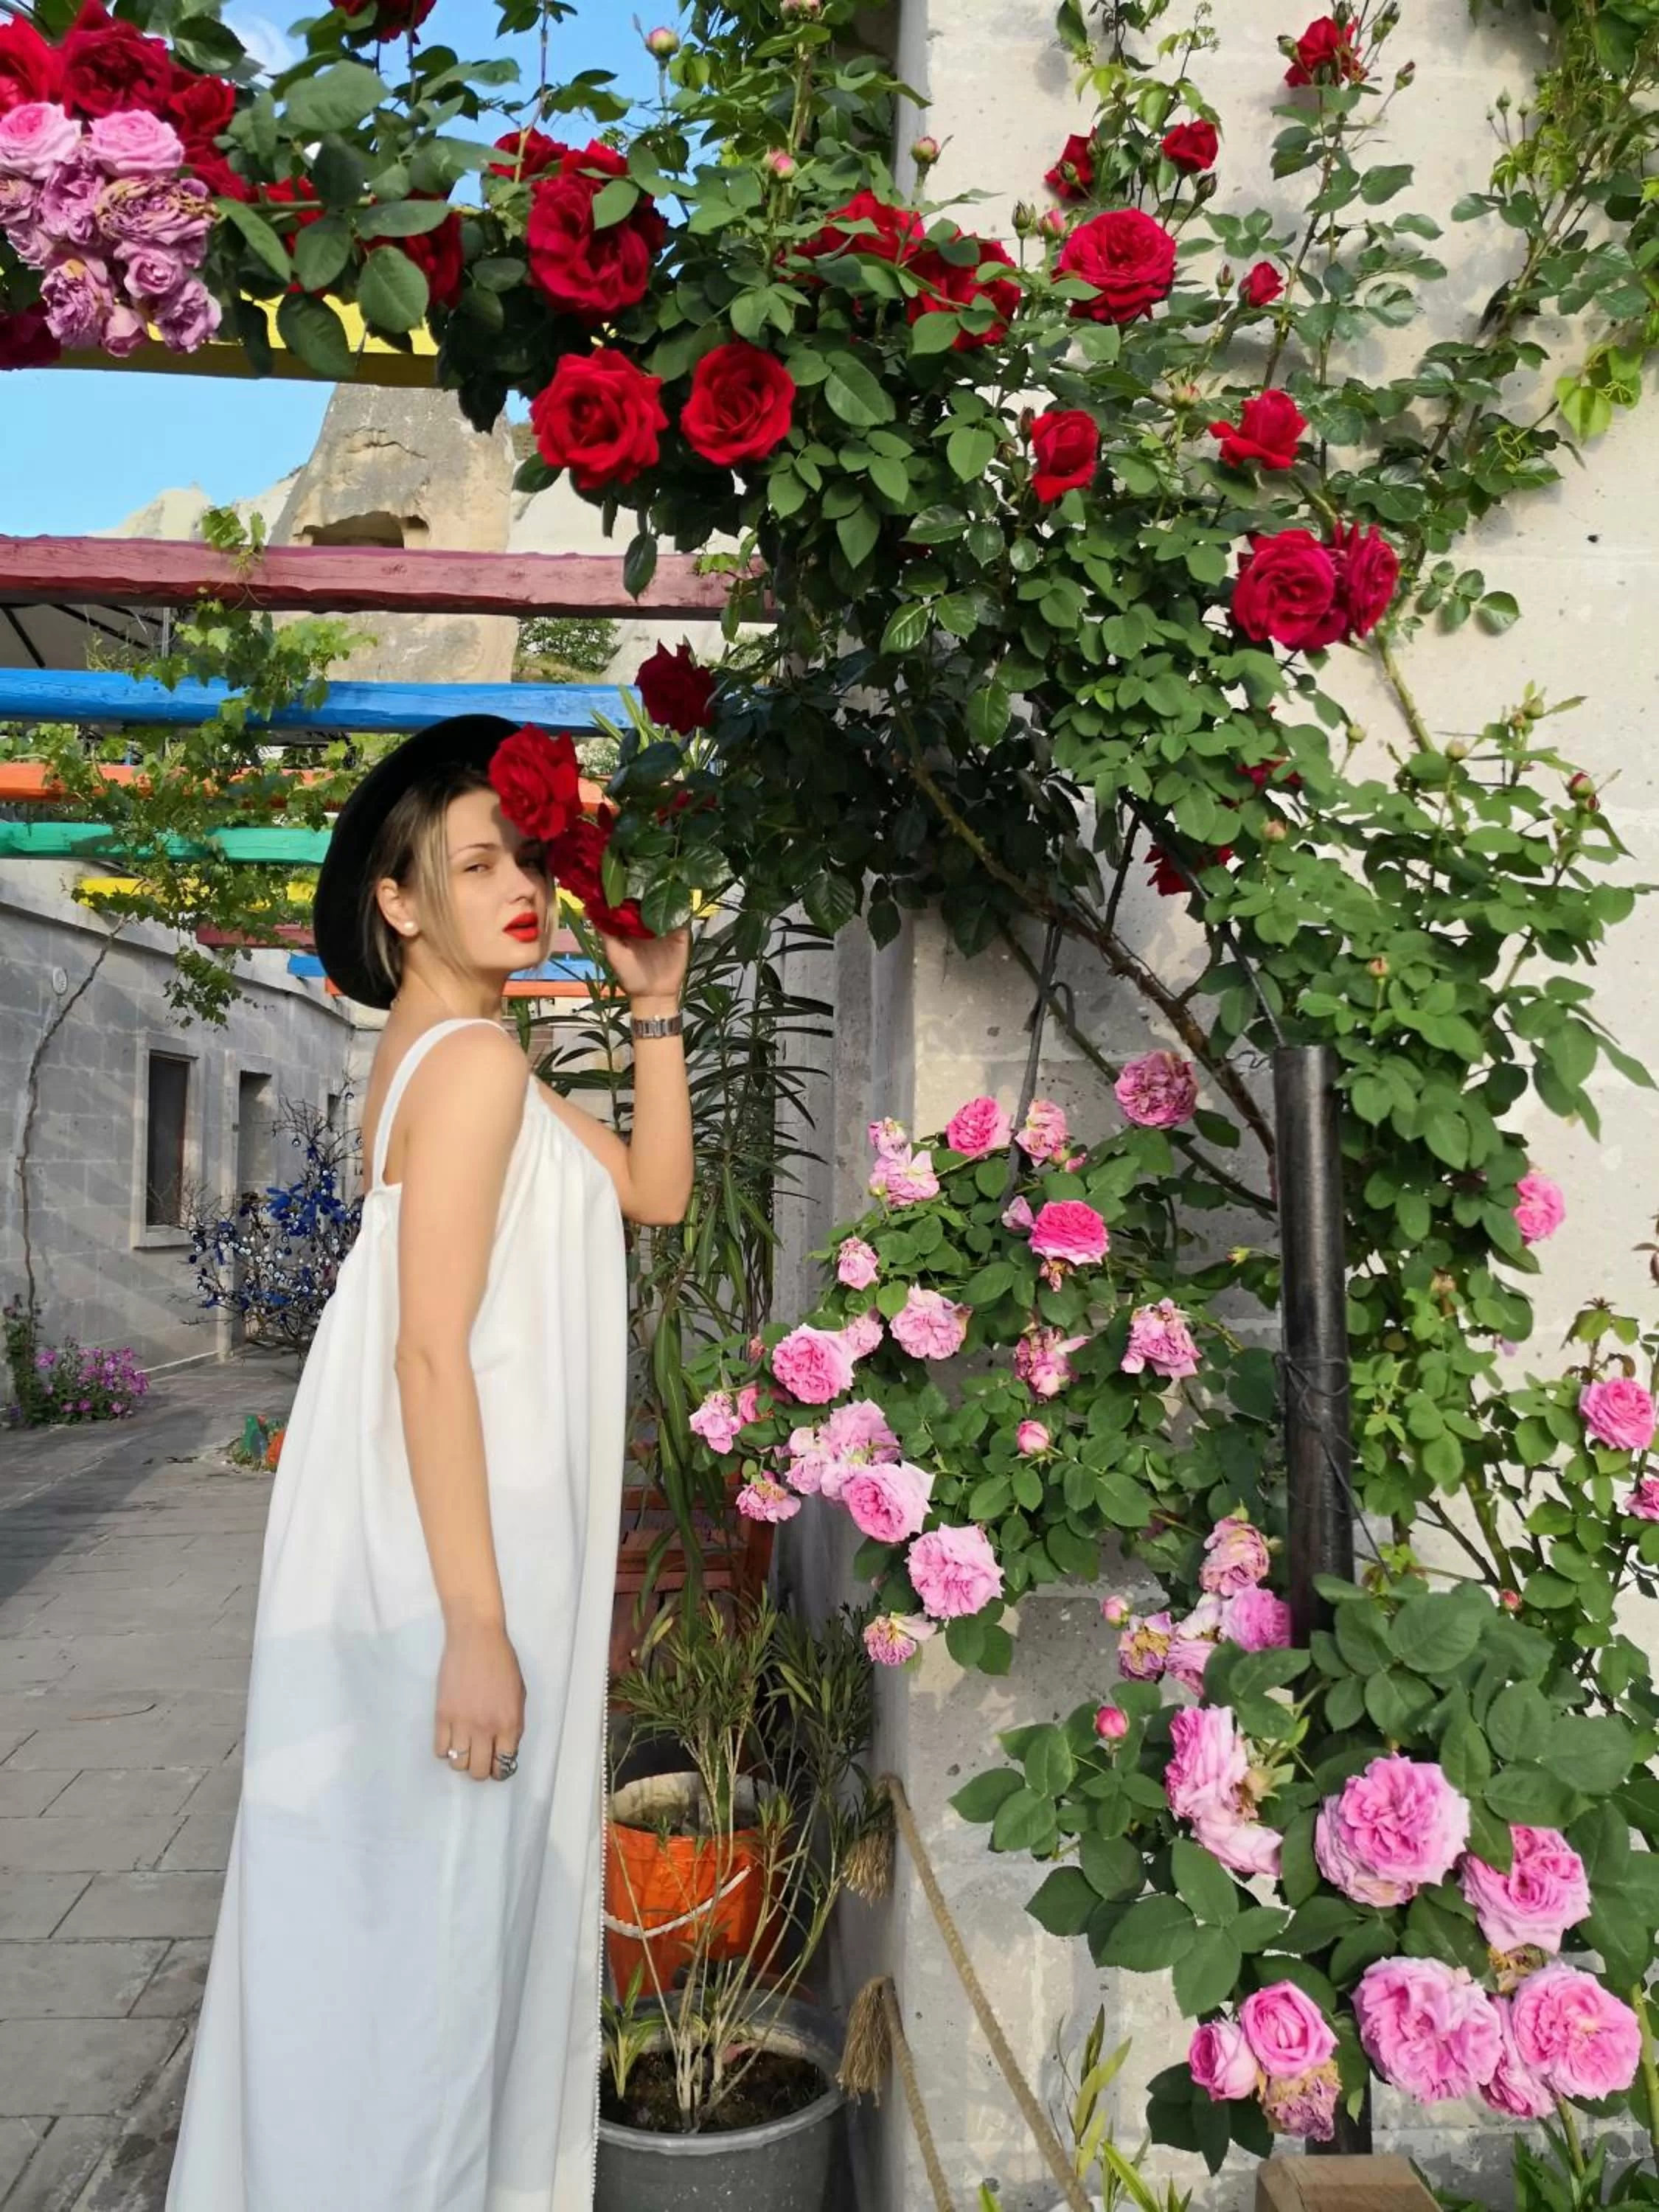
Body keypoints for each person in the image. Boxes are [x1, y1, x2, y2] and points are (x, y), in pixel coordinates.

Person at [164, 714, 693, 2211]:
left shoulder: (462, 1060)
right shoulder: (467, 1063)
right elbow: (428, 1350)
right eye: (478, 861)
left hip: (423, 1539)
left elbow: (650, 1193)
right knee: (438, 1958)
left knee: (395, 1941)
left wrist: (654, 1008)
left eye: (529, 856)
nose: (521, 883)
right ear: (400, 903)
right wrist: (476, 1623)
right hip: (454, 1566)